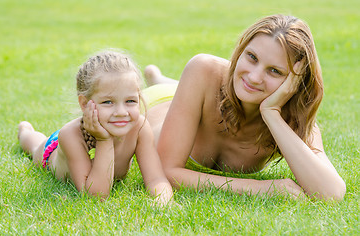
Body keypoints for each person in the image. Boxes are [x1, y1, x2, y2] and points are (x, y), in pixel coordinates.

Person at [143, 14, 346, 200]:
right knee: (176, 87)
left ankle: (162, 79)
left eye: (274, 71)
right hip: (158, 103)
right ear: (240, 51)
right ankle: (158, 80)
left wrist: (272, 114)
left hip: (204, 95)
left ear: (294, 83)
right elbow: (164, 171)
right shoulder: (203, 69)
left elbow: (331, 193)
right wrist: (259, 188)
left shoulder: (292, 118)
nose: (255, 77)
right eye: (252, 57)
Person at [18, 50, 174, 204]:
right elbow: (96, 195)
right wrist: (104, 140)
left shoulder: (139, 127)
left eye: (130, 101)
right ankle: (25, 131)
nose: (121, 112)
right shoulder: (70, 135)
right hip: (52, 148)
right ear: (85, 104)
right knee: (34, 145)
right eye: (108, 102)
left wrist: (163, 199)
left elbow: (156, 178)